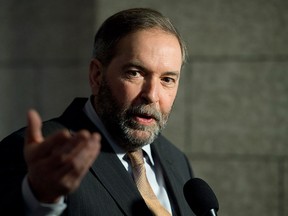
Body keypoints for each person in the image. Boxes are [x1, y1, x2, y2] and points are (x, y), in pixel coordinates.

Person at [0, 8, 195, 216]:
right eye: (135, 73)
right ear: (96, 76)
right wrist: (40, 198)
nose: (152, 95)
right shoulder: (41, 155)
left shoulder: (177, 160)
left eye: (167, 79)